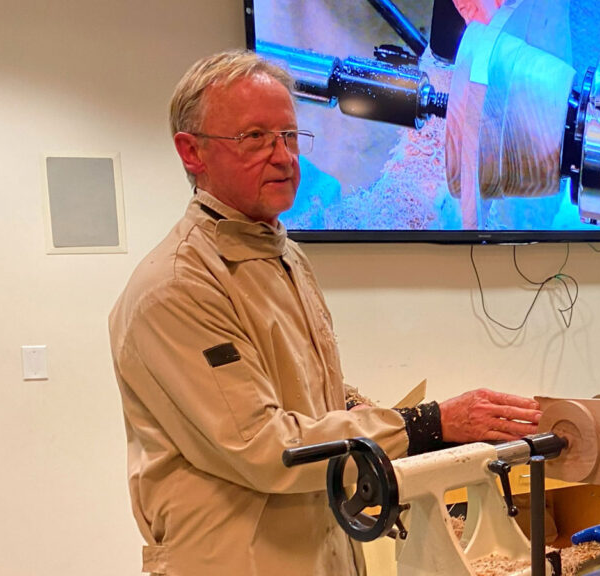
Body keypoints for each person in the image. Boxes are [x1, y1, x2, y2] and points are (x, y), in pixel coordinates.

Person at [109, 49, 542, 576]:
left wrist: (428, 426)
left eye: (289, 136)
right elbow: (266, 447)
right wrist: (427, 424)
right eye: (255, 138)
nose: (284, 156)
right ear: (191, 152)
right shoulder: (176, 288)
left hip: (319, 551)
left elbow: (315, 395)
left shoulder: (283, 256)